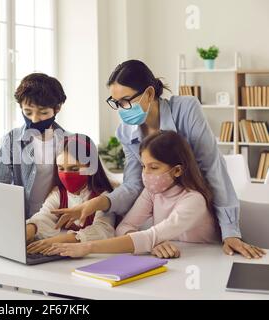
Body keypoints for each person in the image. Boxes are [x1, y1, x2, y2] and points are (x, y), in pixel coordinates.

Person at [52, 60, 265, 259]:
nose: (122, 110)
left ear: (149, 93)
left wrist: (230, 232)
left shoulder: (186, 109)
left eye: (126, 101)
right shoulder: (126, 132)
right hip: (168, 220)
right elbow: (134, 184)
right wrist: (99, 202)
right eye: (116, 103)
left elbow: (212, 168)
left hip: (199, 211)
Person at [48, 131, 221, 258]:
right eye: (144, 166)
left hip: (204, 261)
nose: (146, 174)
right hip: (172, 260)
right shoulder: (152, 192)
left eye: (153, 167)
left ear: (177, 170)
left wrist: (88, 247)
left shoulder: (194, 200)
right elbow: (124, 227)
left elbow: (150, 236)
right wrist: (155, 242)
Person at [0, 73, 69, 219]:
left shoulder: (68, 142)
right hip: (20, 219)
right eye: (28, 112)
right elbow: (0, 187)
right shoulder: (11, 140)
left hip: (55, 219)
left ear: (57, 108)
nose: (34, 119)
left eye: (43, 112)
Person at [26, 134, 116, 255]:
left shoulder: (104, 197)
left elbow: (103, 231)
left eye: (74, 169)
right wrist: (30, 229)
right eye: (61, 168)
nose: (66, 175)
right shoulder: (58, 193)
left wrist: (58, 241)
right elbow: (44, 216)